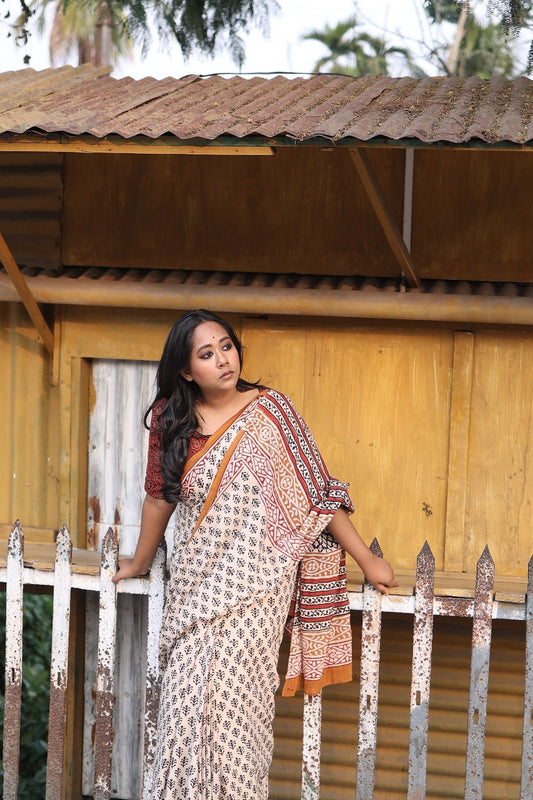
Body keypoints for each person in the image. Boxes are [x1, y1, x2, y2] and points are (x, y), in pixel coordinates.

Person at [113, 309, 396, 800]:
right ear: (186, 371)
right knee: (182, 711)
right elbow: (160, 497)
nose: (223, 359)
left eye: (227, 346)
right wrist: (139, 562)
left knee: (235, 717)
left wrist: (367, 560)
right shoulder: (170, 419)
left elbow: (316, 493)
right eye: (207, 354)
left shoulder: (272, 412)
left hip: (258, 590)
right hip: (195, 587)